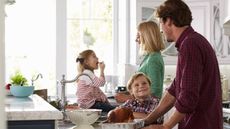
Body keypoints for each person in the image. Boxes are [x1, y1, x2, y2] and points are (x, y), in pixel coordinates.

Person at [143, 0, 223, 129]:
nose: (161, 30)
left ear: (168, 20)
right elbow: (174, 91)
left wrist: (166, 126)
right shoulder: (192, 41)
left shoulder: (189, 45)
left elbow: (188, 97)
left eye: (160, 23)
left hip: (199, 124)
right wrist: (146, 121)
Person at [115, 21, 165, 103]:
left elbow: (155, 93)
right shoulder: (149, 57)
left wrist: (129, 98)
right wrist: (129, 93)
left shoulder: (153, 60)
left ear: (147, 38)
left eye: (138, 37)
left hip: (148, 112)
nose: (136, 40)